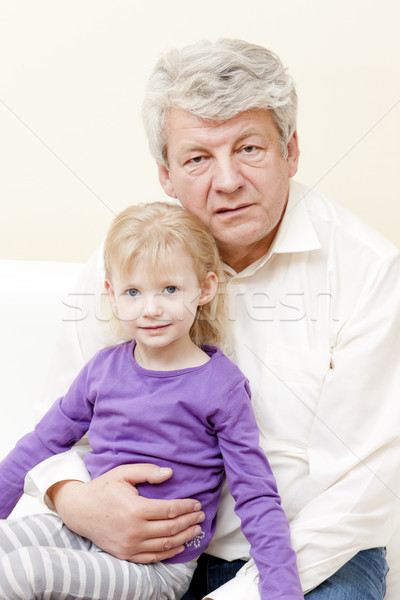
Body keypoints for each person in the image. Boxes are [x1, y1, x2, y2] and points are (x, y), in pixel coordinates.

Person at [23, 38, 400, 600]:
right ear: (166, 176)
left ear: (290, 152)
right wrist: (77, 503)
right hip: (134, 544)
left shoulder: (369, 271)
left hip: (311, 553)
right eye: (198, 158)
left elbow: (360, 491)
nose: (226, 182)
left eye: (249, 148)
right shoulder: (126, 261)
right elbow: (53, 426)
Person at [0, 202, 303, 600]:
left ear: (205, 289)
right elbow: (43, 443)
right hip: (85, 533)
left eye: (170, 289)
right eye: (133, 292)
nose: (151, 309)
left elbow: (255, 492)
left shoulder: (221, 387)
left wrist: (282, 591)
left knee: (23, 572)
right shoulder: (103, 368)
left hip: (158, 569)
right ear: (112, 294)